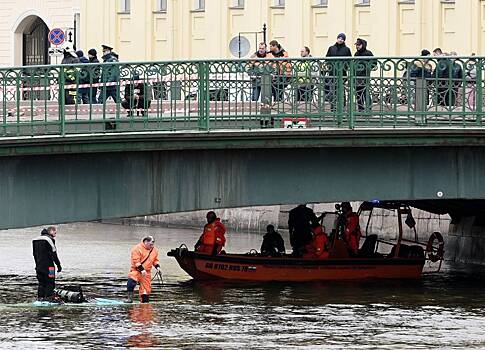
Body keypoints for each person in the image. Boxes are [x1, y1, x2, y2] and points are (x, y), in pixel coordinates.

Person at [127, 236, 160, 303]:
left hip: (147, 272)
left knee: (146, 290)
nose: (152, 246)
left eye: (153, 244)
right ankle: (129, 299)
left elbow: (155, 260)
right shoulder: (137, 249)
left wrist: (158, 267)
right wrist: (142, 270)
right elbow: (136, 261)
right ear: (145, 242)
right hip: (136, 270)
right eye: (150, 244)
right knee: (131, 282)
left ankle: (144, 302)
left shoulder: (154, 250)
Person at [32, 226, 62, 301]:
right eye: (55, 232)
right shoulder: (49, 239)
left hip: (39, 266)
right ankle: (49, 297)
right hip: (50, 267)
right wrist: (58, 265)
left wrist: (37, 265)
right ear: (51, 231)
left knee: (41, 283)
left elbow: (34, 254)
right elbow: (54, 254)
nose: (55, 234)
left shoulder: (35, 240)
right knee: (50, 282)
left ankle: (40, 297)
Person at [325, 33, 352, 111]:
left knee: (341, 90)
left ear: (344, 40)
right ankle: (333, 107)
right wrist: (330, 66)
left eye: (342, 38)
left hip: (342, 73)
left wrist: (344, 68)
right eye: (339, 38)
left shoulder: (347, 49)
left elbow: (349, 61)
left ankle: (342, 106)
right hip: (332, 73)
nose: (340, 39)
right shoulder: (331, 48)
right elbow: (327, 58)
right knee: (332, 90)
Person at [353, 38, 375, 112]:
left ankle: (369, 109)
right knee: (358, 94)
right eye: (356, 45)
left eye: (359, 45)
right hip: (356, 76)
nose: (357, 46)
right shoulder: (356, 54)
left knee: (366, 93)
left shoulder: (368, 53)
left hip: (365, 76)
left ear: (363, 45)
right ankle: (360, 109)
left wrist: (366, 68)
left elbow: (374, 63)